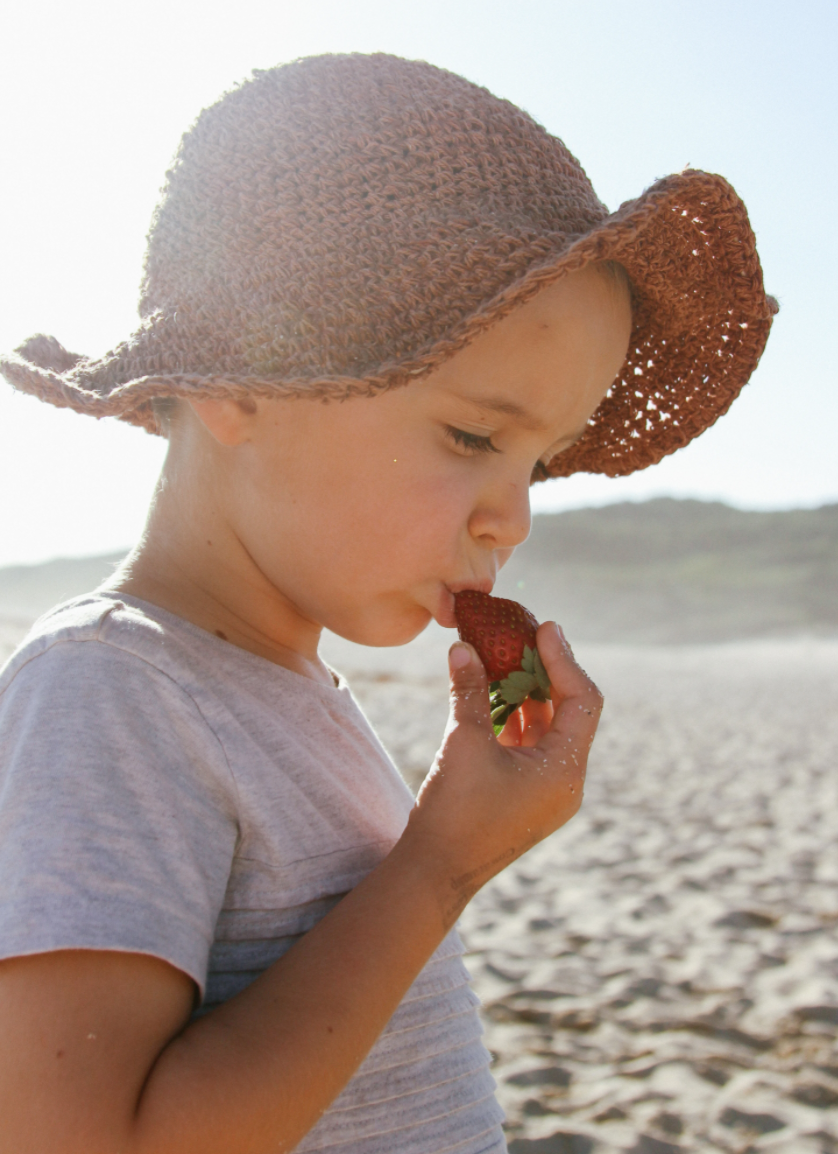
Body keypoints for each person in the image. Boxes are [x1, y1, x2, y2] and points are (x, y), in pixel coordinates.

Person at [0, 53, 775, 1154]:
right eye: (471, 437)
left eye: (538, 465)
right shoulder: (110, 687)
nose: (511, 518)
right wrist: (439, 861)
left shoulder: (282, 684)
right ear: (237, 377)